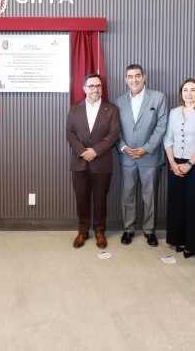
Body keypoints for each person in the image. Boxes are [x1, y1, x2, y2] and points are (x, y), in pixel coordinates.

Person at [115, 64, 167, 247]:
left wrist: (147, 148)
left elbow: (162, 126)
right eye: (130, 77)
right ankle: (128, 229)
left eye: (137, 76)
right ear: (125, 79)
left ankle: (149, 231)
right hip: (127, 157)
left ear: (144, 77)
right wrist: (123, 147)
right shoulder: (119, 101)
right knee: (127, 195)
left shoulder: (158, 97)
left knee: (150, 196)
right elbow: (115, 129)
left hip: (150, 157)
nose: (134, 80)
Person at [66, 73, 120, 249]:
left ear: (101, 88)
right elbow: (70, 133)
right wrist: (83, 152)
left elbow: (113, 134)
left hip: (101, 162)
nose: (95, 89)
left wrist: (96, 151)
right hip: (79, 162)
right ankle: (83, 231)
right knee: (81, 199)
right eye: (91, 86)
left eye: (98, 86)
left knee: (100, 199)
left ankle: (99, 231)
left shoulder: (111, 109)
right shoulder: (75, 109)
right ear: (84, 89)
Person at [163, 78, 195, 257]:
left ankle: (194, 244)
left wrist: (189, 164)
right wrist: (172, 163)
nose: (189, 93)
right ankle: (179, 239)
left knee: (194, 204)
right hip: (176, 162)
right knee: (177, 203)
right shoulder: (174, 112)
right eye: (185, 90)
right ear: (181, 93)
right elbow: (168, 138)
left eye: (193, 90)